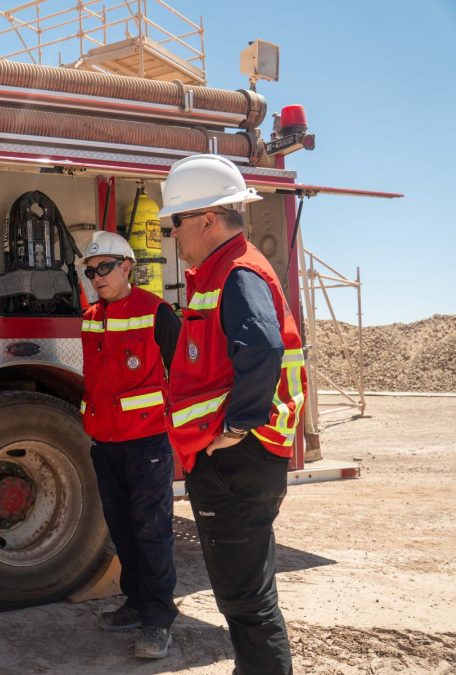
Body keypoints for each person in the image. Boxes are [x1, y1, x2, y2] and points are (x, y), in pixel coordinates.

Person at [160, 154, 307, 674]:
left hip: (237, 462)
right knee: (249, 596)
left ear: (207, 219)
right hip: (242, 461)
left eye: (176, 222)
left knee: (246, 603)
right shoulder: (225, 270)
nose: (172, 234)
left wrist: (237, 426)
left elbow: (264, 347)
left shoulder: (238, 272)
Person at [79, 230, 181, 659]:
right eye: (89, 270)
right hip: (105, 442)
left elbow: (182, 375)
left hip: (147, 443)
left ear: (126, 267)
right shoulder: (89, 315)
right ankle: (136, 602)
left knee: (151, 530)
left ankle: (158, 619)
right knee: (122, 530)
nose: (96, 277)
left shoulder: (157, 312)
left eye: (104, 268)